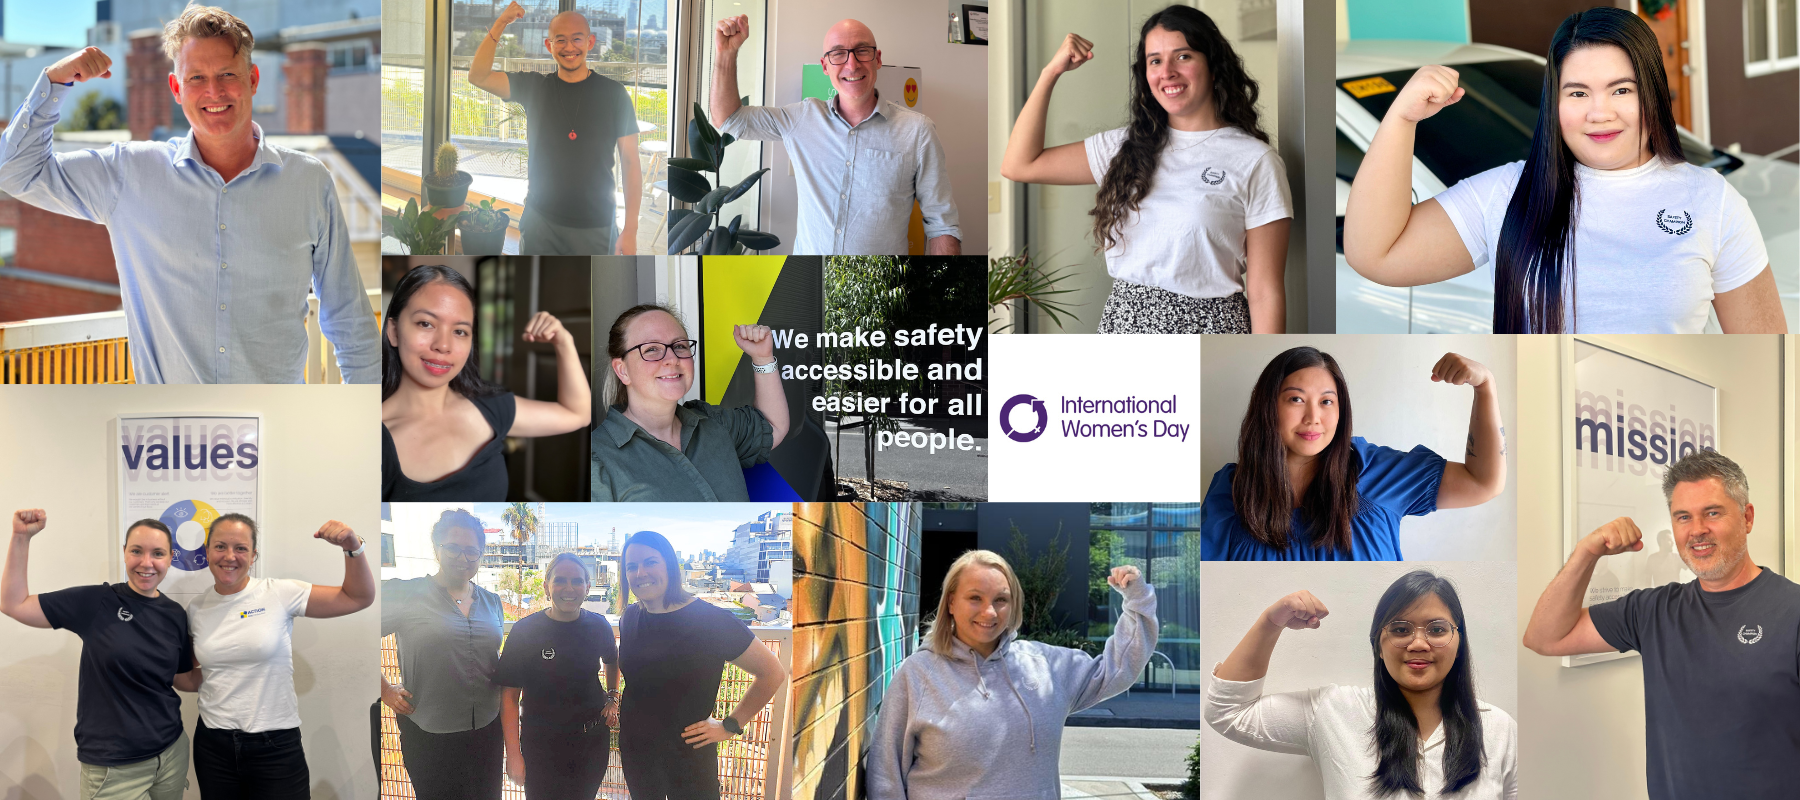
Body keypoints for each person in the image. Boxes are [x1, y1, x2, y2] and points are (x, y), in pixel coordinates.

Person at [1343, 7, 1784, 334]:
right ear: (1554, 105)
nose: (1599, 113)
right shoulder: (1507, 193)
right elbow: (1376, 254)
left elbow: (1767, 357)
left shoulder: (1711, 199)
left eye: (1621, 89)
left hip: (1664, 434)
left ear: (1651, 93)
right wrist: (1401, 118)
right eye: (1577, 93)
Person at [0, 5, 378, 383]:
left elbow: (350, 321)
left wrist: (359, 427)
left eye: (227, 74)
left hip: (279, 431)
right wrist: (54, 81)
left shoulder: (309, 182)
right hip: (168, 436)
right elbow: (15, 170)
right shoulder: (129, 173)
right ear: (176, 89)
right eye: (196, 77)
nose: (214, 91)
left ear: (252, 79)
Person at [1523, 449, 1800, 800]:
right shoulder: (1653, 611)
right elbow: (1544, 638)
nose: (1697, 530)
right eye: (1683, 517)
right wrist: (1586, 552)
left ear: (1747, 518)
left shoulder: (1792, 611)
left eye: (1712, 513)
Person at [1001, 6, 1292, 333]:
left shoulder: (1255, 160)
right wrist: (1050, 73)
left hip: (1210, 329)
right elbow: (1019, 164)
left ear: (1213, 65)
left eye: (1182, 56)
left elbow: (1265, 291)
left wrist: (1264, 362)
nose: (1166, 71)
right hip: (1125, 325)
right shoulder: (1122, 146)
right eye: (1155, 60)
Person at [866, 550, 1156, 797]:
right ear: (951, 603)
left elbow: (1117, 668)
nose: (989, 612)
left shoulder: (1047, 666)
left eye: (1001, 600)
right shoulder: (918, 674)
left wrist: (1136, 601)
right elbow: (886, 774)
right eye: (975, 598)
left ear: (1013, 603)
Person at [1206, 571, 1518, 799]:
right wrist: (1270, 623)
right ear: (1378, 646)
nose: (1419, 643)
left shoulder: (1499, 729)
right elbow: (1228, 712)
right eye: (1400, 629)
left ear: (1459, 642)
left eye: (1437, 629)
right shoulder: (1334, 710)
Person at [1203, 346, 1505, 560]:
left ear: (1340, 410)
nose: (1313, 417)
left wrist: (1484, 386)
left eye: (1326, 401)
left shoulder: (1378, 471)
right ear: (1268, 407)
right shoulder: (1231, 490)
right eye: (1296, 399)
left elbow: (1483, 482)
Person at [710, 15, 961, 255]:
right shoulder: (801, 119)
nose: (852, 64)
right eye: (838, 54)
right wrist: (725, 54)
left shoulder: (918, 131)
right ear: (825, 66)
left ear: (878, 59)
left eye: (862, 50)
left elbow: (942, 225)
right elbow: (730, 120)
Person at [2, 511, 197, 800]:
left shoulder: (175, 614)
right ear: (124, 553)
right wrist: (21, 537)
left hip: (170, 753)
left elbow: (183, 680)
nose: (146, 562)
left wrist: (233, 658)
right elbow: (13, 604)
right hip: (113, 766)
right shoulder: (98, 602)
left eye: (158, 553)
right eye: (136, 551)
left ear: (171, 557)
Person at [177, 514, 374, 799]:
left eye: (241, 548)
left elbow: (358, 597)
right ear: (207, 551)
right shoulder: (197, 608)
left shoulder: (279, 593)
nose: (229, 556)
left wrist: (353, 548)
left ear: (254, 555)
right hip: (214, 743)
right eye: (220, 546)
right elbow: (196, 677)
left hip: (275, 744)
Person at [382, 264, 590, 501]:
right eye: (426, 324)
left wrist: (564, 342)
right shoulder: (373, 440)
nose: (443, 345)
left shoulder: (489, 406)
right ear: (394, 331)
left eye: (460, 331)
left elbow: (577, 414)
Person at [615, 530, 787, 800]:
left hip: (689, 756)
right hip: (637, 753)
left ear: (670, 566)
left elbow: (772, 673)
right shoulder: (630, 617)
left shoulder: (711, 621)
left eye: (650, 562)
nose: (640, 572)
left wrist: (730, 725)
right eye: (631, 566)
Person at [469, 2, 643, 255]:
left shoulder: (614, 94)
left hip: (596, 226)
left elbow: (630, 163)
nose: (569, 47)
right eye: (560, 40)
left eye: (577, 39)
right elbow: (479, 76)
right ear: (549, 45)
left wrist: (630, 230)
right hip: (540, 222)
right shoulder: (534, 87)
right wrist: (501, 22)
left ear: (590, 42)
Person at [590, 304, 789, 501]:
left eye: (679, 346)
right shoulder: (597, 460)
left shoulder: (713, 424)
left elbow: (773, 426)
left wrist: (763, 359)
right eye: (651, 349)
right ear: (622, 370)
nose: (672, 358)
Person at [380, 509, 506, 800]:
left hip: (487, 729)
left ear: (481, 555)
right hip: (430, 732)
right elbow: (354, 632)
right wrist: (384, 689)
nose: (463, 558)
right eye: (453, 548)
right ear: (437, 548)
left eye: (472, 551)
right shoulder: (406, 593)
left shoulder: (492, 601)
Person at [494, 553, 619, 799]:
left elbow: (612, 660)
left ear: (587, 587)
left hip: (591, 743)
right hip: (541, 747)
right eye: (560, 580)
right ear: (546, 587)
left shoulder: (599, 626)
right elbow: (509, 697)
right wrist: (514, 754)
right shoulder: (525, 632)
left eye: (577, 581)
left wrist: (613, 697)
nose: (569, 588)